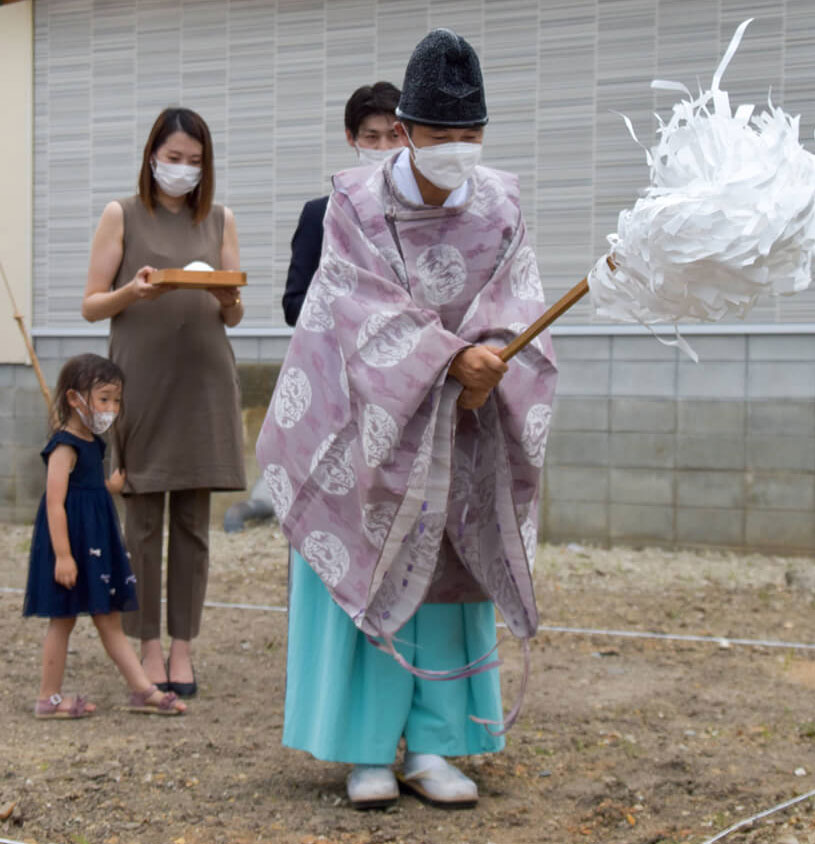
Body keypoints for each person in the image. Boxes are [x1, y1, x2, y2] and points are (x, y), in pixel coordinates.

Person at [256, 29, 558, 810]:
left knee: (451, 578)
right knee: (371, 559)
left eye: (471, 134)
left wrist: (494, 360)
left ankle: (434, 744)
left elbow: (518, 297)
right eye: (441, 135)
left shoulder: (502, 202)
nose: (458, 149)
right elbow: (357, 307)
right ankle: (363, 749)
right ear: (409, 129)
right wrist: (447, 359)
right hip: (361, 419)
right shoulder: (355, 201)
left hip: (462, 419)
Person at [80, 107, 246, 699]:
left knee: (193, 524)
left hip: (202, 379)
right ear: (153, 156)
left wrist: (228, 299)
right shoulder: (120, 214)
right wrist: (134, 289)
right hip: (141, 379)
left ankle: (183, 645)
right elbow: (92, 304)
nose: (183, 170)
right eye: (174, 158)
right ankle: (146, 642)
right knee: (142, 519)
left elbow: (234, 307)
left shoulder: (219, 219)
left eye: (195, 161)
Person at [24, 354, 186, 717]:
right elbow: (55, 503)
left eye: (116, 400)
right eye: (103, 399)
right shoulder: (63, 446)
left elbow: (86, 491)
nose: (111, 408)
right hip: (70, 545)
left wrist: (108, 487)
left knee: (109, 616)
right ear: (74, 399)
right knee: (62, 619)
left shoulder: (93, 442)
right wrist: (63, 556)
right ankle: (48, 699)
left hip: (97, 541)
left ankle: (142, 689)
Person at [282, 81, 405, 326]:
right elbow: (293, 306)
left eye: (393, 136)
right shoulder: (321, 214)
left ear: (407, 136)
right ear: (351, 137)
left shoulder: (424, 211)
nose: (384, 148)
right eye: (372, 137)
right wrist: (353, 307)